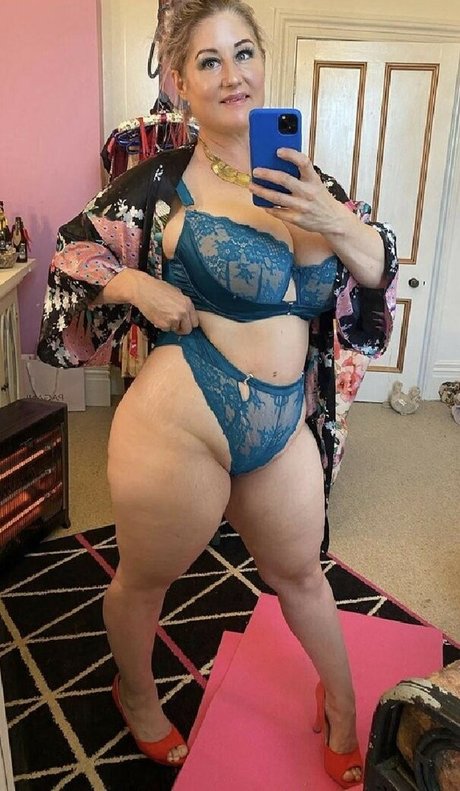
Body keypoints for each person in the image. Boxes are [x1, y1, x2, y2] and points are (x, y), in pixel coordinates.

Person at [37, 0, 398, 786]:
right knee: (146, 579)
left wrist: (332, 218)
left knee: (302, 574)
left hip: (282, 425)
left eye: (244, 53)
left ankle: (341, 704)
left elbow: (376, 271)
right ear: (181, 80)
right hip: (183, 418)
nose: (232, 75)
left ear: (263, 62)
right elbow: (72, 253)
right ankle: (135, 693)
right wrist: (136, 283)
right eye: (209, 60)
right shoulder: (161, 181)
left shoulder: (313, 180)